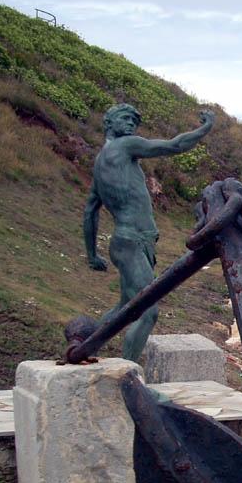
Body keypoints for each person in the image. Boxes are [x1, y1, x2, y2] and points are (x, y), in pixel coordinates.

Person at [84, 103, 216, 361]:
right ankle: (129, 374)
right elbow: (173, 146)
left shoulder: (102, 164)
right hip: (131, 241)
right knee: (148, 311)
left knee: (125, 307)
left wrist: (91, 254)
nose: (131, 123)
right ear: (109, 123)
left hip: (129, 243)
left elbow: (90, 212)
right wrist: (205, 128)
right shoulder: (124, 146)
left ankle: (85, 349)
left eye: (135, 120)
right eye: (125, 118)